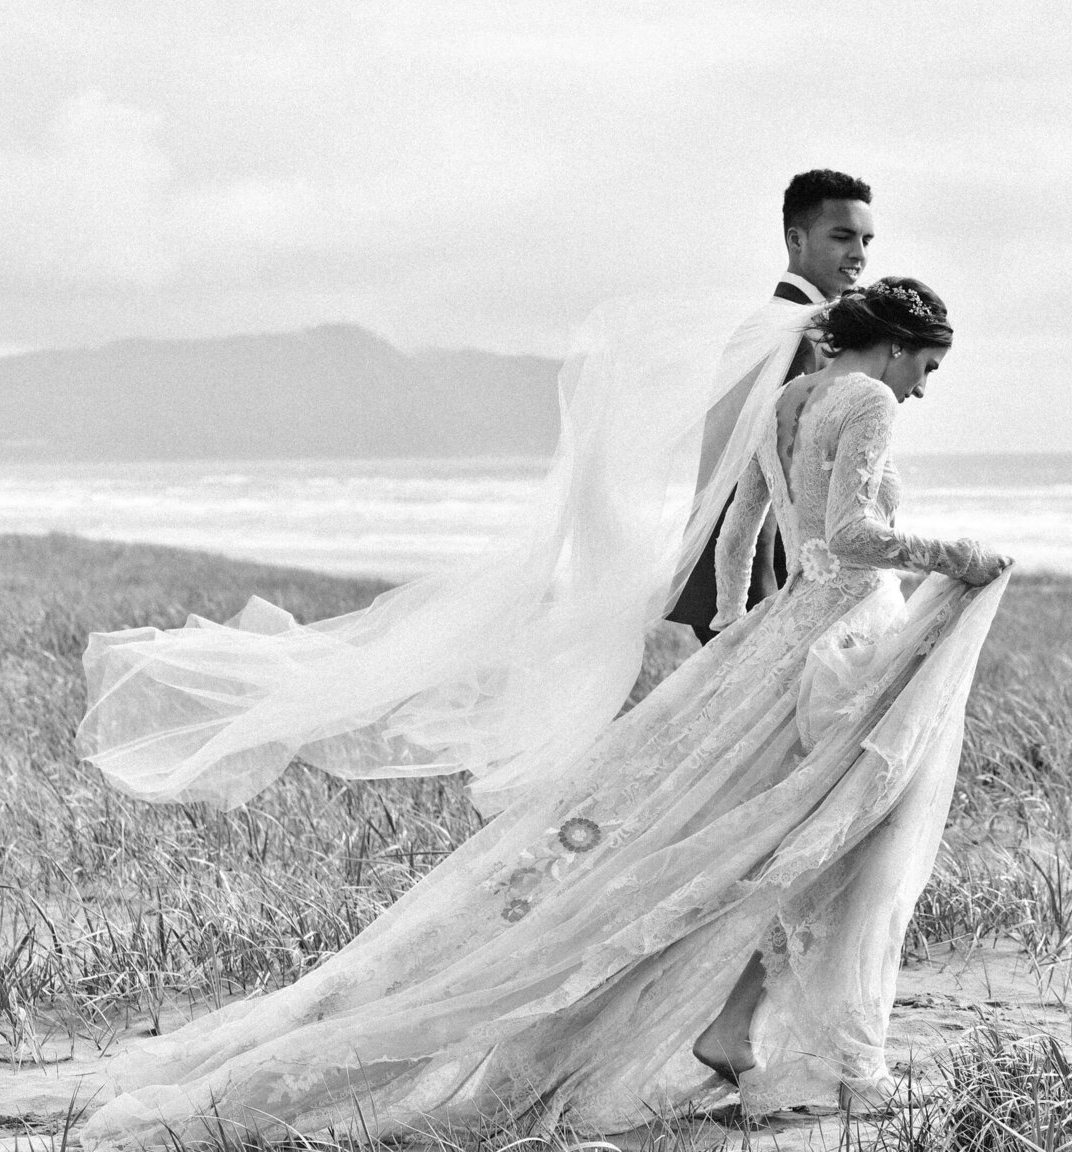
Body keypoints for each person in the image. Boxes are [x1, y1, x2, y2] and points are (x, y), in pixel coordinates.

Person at [81, 278, 1012, 1149]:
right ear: (896, 347)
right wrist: (959, 551)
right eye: (927, 367)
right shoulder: (870, 405)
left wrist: (739, 634)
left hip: (786, 639)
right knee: (832, 834)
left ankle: (740, 1027)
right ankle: (795, 1045)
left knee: (775, 835)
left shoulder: (784, 405)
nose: (924, 390)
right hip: (846, 634)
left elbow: (740, 536)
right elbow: (854, 537)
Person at [667, 169, 877, 645]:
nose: (858, 255)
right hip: (750, 577)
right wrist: (758, 596)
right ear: (795, 239)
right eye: (842, 237)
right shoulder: (794, 334)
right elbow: (757, 467)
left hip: (742, 571)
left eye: (866, 240)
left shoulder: (779, 324)